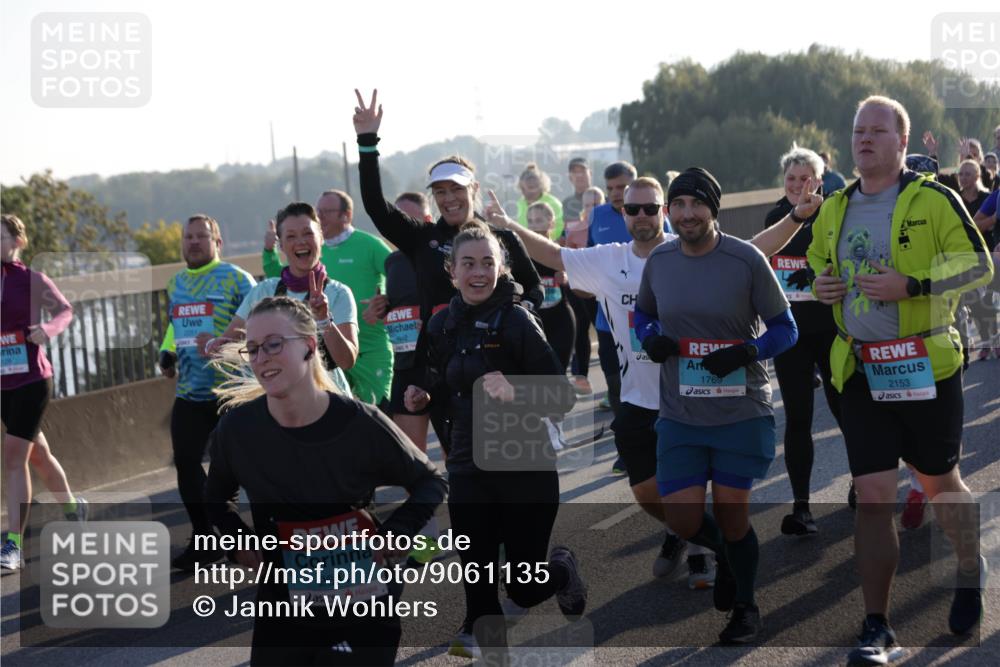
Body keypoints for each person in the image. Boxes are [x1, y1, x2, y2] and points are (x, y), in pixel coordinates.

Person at [808, 95, 994, 666]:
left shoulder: (933, 198)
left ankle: (969, 565)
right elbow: (819, 261)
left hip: (925, 367)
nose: (863, 139)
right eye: (858, 130)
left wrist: (912, 285)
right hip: (862, 370)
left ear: (901, 142)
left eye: (877, 131)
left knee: (939, 485)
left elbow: (978, 263)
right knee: (873, 497)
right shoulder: (835, 206)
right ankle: (878, 626)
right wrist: (824, 285)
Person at [204, 296, 446, 666]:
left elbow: (430, 482)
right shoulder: (237, 430)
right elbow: (215, 500)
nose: (262, 357)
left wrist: (394, 534)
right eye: (252, 349)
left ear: (309, 347)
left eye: (273, 344)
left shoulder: (358, 422)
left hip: (361, 599)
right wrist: (239, 546)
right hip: (283, 601)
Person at [403, 221, 585, 660]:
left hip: (525, 466)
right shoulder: (442, 324)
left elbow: (562, 397)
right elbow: (447, 383)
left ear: (501, 268)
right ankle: (481, 632)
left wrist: (517, 390)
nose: (478, 271)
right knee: (477, 567)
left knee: (523, 589)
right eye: (468, 263)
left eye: (488, 262)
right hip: (467, 464)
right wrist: (425, 394)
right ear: (452, 271)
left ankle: (561, 571)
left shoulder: (518, 320)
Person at [635, 167, 799, 644]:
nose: (687, 214)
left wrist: (747, 352)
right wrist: (651, 337)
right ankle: (729, 558)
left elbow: (785, 329)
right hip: (680, 413)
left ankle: (746, 607)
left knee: (733, 516)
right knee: (683, 519)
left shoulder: (745, 259)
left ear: (713, 208)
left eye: (696, 205)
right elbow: (643, 313)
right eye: (678, 205)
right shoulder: (660, 261)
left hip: (739, 410)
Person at [352, 88, 542, 457]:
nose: (449, 198)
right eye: (440, 192)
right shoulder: (422, 240)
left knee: (505, 461)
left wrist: (515, 320)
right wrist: (367, 142)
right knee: (462, 460)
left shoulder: (503, 239)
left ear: (474, 189)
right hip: (443, 372)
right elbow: (376, 206)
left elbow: (534, 290)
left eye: (456, 189)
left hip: (499, 368)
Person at [159, 214, 256, 571]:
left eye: (202, 236)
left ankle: (256, 539)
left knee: (237, 471)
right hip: (189, 391)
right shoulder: (176, 283)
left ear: (217, 242)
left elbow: (257, 326)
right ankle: (205, 540)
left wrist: (227, 346)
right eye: (189, 237)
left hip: (230, 390)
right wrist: (166, 354)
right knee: (186, 465)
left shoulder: (237, 279)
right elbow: (175, 326)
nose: (194, 242)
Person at [763, 147, 845, 536]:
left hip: (832, 329)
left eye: (806, 178)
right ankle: (802, 509)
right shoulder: (775, 215)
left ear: (821, 179)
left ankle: (865, 484)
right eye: (792, 179)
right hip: (790, 334)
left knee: (846, 409)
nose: (798, 185)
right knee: (797, 419)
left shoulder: (834, 213)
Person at [1, 214, 87, 571]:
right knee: (38, 455)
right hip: (2, 383)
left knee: (13, 457)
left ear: (18, 241)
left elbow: (64, 310)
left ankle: (13, 545)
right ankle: (72, 508)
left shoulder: (33, 280)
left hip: (32, 381)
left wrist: (47, 329)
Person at [210, 202, 358, 396]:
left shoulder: (339, 293)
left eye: (308, 233)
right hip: (278, 404)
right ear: (281, 245)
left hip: (328, 401)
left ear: (321, 238)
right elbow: (229, 340)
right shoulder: (264, 291)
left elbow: (347, 361)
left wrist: (324, 319)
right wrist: (213, 345)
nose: (301, 242)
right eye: (291, 236)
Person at [263, 190, 393, 408]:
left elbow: (403, 276)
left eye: (328, 212)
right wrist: (269, 251)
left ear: (346, 215)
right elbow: (278, 276)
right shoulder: (312, 252)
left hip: (369, 351)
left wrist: (388, 300)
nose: (320, 217)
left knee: (376, 418)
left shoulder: (370, 245)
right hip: (326, 357)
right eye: (319, 211)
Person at [589, 161, 639, 474]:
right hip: (607, 321)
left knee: (646, 386)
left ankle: (656, 444)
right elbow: (588, 260)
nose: (616, 194)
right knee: (616, 388)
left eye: (622, 187)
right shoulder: (597, 216)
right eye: (610, 189)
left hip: (643, 321)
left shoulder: (650, 212)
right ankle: (626, 450)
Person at [566, 186, 606, 396]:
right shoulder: (574, 231)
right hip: (579, 288)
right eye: (588, 205)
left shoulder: (608, 226)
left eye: (596, 204)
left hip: (602, 289)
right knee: (580, 332)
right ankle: (581, 378)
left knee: (603, 332)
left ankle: (613, 384)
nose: (592, 208)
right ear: (582, 208)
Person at [515, 163, 565, 240]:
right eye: (523, 188)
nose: (526, 191)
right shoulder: (520, 203)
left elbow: (560, 230)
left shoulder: (554, 203)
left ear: (541, 185)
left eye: (531, 187)